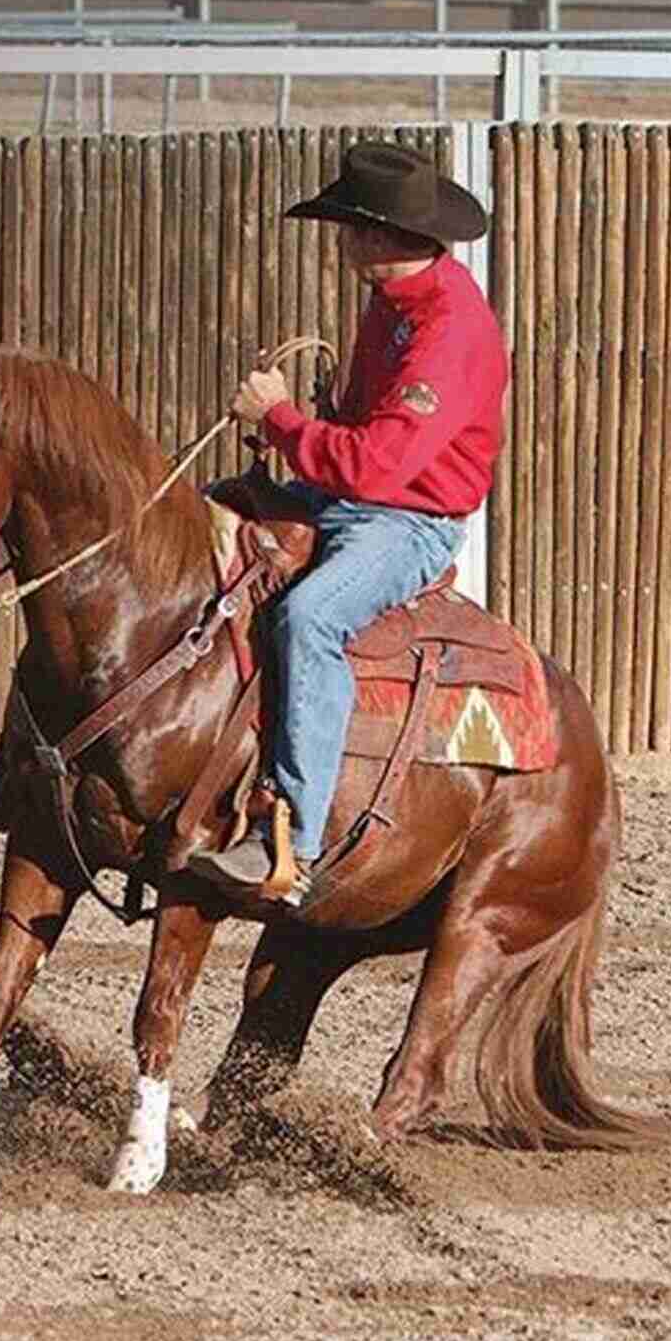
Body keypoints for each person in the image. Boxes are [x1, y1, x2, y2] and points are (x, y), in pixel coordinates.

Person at [186, 139, 509, 906]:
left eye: (345, 225)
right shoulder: (392, 305)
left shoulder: (450, 329)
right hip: (354, 497)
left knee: (311, 618)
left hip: (409, 521)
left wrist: (283, 418)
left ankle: (294, 840)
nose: (338, 239)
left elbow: (377, 467)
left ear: (373, 234)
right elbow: (360, 436)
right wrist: (300, 429)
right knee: (200, 521)